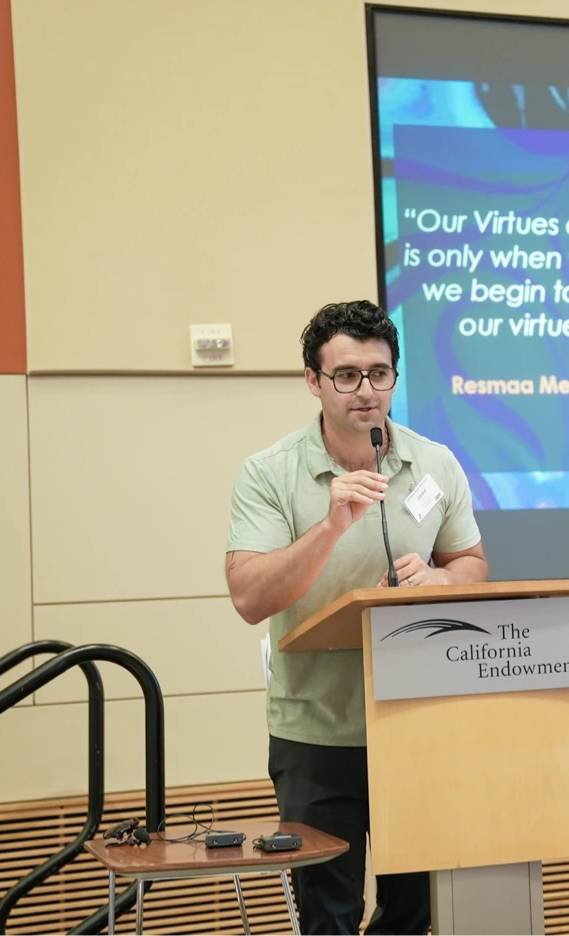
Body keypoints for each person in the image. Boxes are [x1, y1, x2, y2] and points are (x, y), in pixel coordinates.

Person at [225, 300, 488, 936]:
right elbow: (248, 597)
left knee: (413, 911)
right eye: (346, 375)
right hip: (315, 730)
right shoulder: (269, 472)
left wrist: (440, 579)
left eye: (380, 373)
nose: (366, 391)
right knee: (328, 912)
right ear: (313, 381)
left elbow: (473, 564)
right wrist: (330, 526)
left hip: (414, 721)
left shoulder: (435, 464)